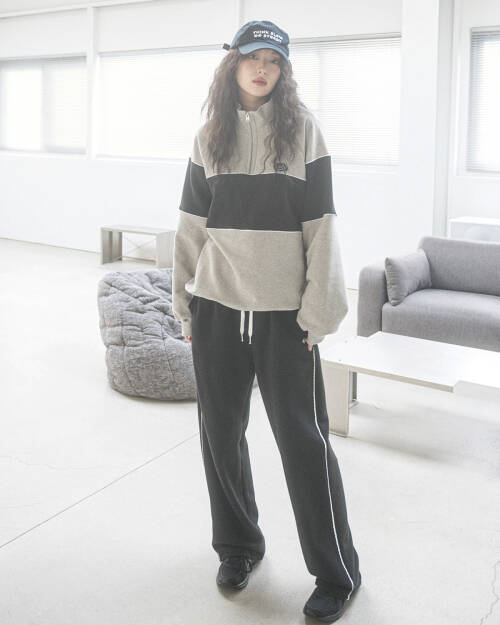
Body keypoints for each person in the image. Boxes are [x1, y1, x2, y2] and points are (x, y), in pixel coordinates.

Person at [172, 19, 362, 623]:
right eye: (252, 57)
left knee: (304, 443)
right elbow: (190, 227)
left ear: (284, 71)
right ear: (232, 64)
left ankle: (337, 573)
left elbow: (322, 228)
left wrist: (318, 312)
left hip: (285, 317)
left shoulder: (304, 131)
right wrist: (184, 303)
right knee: (220, 437)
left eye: (273, 61)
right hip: (217, 308)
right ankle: (238, 548)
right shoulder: (209, 136)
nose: (262, 69)